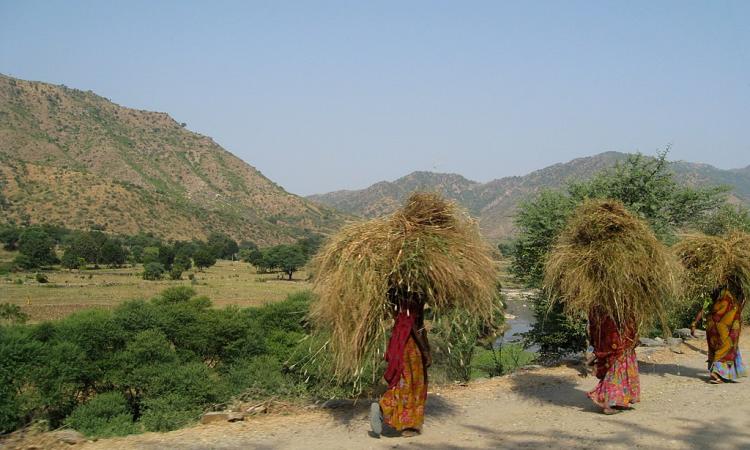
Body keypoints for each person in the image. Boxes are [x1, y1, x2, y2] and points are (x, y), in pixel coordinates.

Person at [370, 290, 431, 437]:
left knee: (403, 382)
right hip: (411, 348)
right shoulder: (415, 297)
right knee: (415, 384)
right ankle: (389, 411)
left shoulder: (395, 294)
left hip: (398, 344)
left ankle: (396, 415)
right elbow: (415, 327)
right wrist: (425, 350)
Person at [691, 277, 747, 383]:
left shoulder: (712, 294)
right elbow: (740, 304)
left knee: (716, 348)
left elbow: (703, 309)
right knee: (725, 348)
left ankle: (721, 374)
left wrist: (694, 323)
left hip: (712, 327)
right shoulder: (730, 296)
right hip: (725, 328)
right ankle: (716, 373)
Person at [586, 306, 640, 414]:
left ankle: (619, 399)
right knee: (616, 370)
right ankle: (608, 403)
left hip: (615, 342)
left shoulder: (600, 308)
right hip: (617, 342)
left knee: (619, 369)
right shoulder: (613, 307)